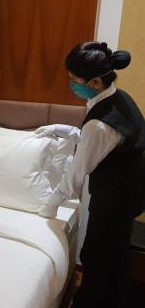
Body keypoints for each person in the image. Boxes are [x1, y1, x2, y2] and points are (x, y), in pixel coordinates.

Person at [35, 42, 145, 307]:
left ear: (95, 81)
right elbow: (99, 142)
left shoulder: (99, 123)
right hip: (131, 189)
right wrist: (65, 129)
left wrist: (51, 205)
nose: (71, 85)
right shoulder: (117, 97)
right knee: (116, 255)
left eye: (74, 80)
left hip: (116, 195)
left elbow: (77, 173)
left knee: (96, 256)